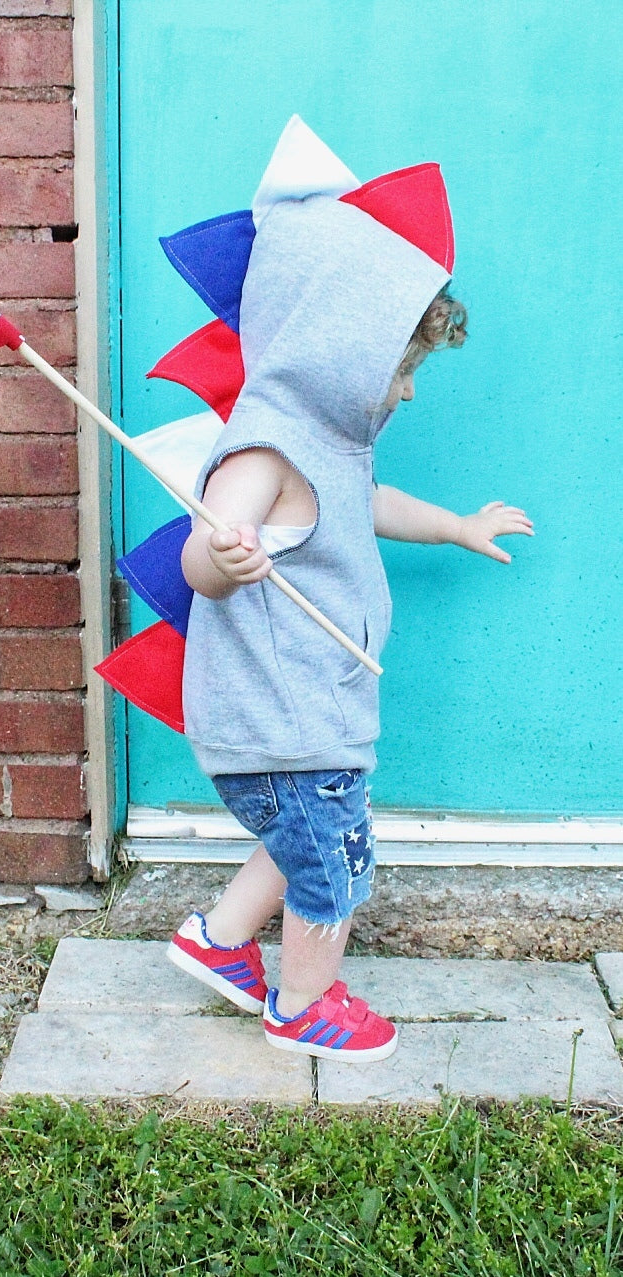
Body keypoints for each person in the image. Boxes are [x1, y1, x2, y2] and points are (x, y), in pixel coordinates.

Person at [167, 193, 533, 1062]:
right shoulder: (266, 447)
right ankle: (303, 1003)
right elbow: (198, 556)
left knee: (300, 840)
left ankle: (217, 940)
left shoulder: (329, 448)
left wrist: (456, 525)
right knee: (334, 865)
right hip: (283, 722)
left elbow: (368, 505)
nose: (405, 390)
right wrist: (226, 555)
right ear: (340, 350)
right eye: (401, 369)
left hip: (309, 716)